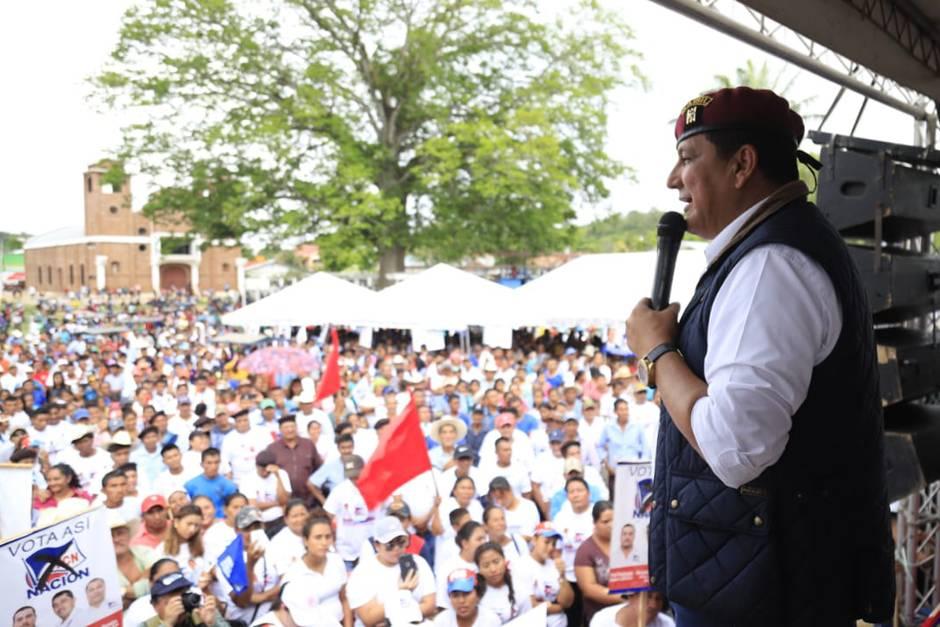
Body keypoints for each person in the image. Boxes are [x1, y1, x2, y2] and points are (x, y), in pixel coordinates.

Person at [625, 86, 894, 624]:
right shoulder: (772, 250)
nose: (673, 179)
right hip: (756, 580)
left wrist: (658, 351)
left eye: (687, 158)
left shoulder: (771, 266)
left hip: (766, 595)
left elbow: (736, 448)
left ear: (742, 164)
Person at [345, 516, 437, 625]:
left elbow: (430, 606)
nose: (396, 548)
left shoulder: (418, 562)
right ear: (377, 545)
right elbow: (369, 619)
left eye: (401, 542)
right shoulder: (362, 573)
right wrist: (401, 594)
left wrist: (395, 615)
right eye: (390, 545)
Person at [281, 514, 352, 625]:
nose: (324, 543)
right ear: (305, 540)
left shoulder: (336, 561)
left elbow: (344, 598)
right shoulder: (294, 576)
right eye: (318, 537)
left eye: (328, 537)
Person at [553, 477, 595, 625]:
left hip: (593, 575)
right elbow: (556, 549)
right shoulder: (561, 517)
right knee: (573, 619)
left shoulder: (596, 513)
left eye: (579, 490)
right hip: (570, 576)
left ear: (588, 493)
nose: (576, 494)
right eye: (571, 492)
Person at [323, 454, 376, 569]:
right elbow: (329, 513)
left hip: (373, 551)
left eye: (357, 476)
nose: (355, 480)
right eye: (351, 477)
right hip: (346, 552)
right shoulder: (339, 490)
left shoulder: (377, 487)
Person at [574, 501, 621, 624]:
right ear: (595, 523)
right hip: (599, 616)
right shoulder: (585, 550)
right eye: (605, 522)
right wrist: (624, 597)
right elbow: (589, 588)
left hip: (626, 613)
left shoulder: (625, 542)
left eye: (614, 520)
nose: (611, 525)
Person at [518, 522, 573, 627]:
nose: (551, 547)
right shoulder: (522, 565)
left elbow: (567, 602)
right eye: (546, 542)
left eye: (554, 543)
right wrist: (559, 608)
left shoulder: (554, 563)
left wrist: (562, 576)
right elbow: (530, 606)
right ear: (534, 540)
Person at [263, 414, 322, 504]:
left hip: (309, 497)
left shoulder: (308, 444)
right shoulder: (272, 448)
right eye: (286, 427)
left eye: (292, 426)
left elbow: (319, 468)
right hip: (284, 499)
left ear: (296, 427)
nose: (290, 430)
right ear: (280, 430)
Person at [474, 541, 533, 623]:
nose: (493, 569)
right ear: (479, 569)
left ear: (505, 560)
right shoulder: (473, 593)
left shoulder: (519, 588)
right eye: (486, 565)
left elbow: (529, 621)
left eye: (496, 562)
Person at [435, 520, 487, 610]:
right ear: (465, 544)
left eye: (484, 539)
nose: (484, 543)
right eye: (479, 539)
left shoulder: (488, 563)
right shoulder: (448, 567)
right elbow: (442, 604)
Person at [147, 571, 229, 627]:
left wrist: (212, 624)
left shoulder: (200, 613)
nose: (181, 602)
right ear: (155, 606)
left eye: (184, 594)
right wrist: (167, 624)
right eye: (173, 598)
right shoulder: (146, 625)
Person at [242, 450, 291, 535]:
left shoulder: (282, 474)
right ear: (256, 466)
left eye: (268, 471)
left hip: (280, 519)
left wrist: (278, 476)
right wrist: (277, 503)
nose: (265, 473)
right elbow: (253, 506)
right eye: (262, 470)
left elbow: (284, 500)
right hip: (258, 522)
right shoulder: (248, 479)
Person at [158, 504, 210, 583]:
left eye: (196, 525)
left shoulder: (203, 546)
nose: (192, 529)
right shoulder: (162, 549)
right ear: (176, 522)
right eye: (189, 524)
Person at [433, 568, 502, 627]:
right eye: (455, 595)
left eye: (466, 594)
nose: (461, 601)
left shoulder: (491, 621)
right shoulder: (441, 622)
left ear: (478, 594)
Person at [185, 448, 238, 518]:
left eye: (216, 462)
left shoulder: (229, 485)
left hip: (221, 521)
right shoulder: (190, 485)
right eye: (209, 463)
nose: (213, 466)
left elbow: (233, 508)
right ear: (202, 464)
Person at [267, 499, 310, 576]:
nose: (300, 519)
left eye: (303, 514)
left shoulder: (316, 532)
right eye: (295, 516)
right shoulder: (279, 542)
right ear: (286, 519)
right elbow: (284, 576)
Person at [589, 592, 675, 627]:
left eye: (658, 599)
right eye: (648, 597)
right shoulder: (602, 619)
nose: (653, 605)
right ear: (631, 597)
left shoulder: (667, 624)